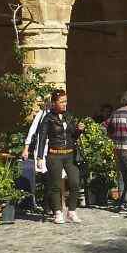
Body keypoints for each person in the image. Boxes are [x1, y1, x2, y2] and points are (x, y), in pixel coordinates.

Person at [34, 90, 84, 224]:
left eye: (65, 101)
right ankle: (57, 212)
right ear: (54, 103)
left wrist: (79, 130)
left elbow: (73, 135)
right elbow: (42, 138)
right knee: (55, 184)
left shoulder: (69, 116)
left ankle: (72, 211)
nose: (64, 104)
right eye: (61, 102)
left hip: (70, 155)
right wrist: (39, 157)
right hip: (54, 155)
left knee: (75, 182)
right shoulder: (48, 118)